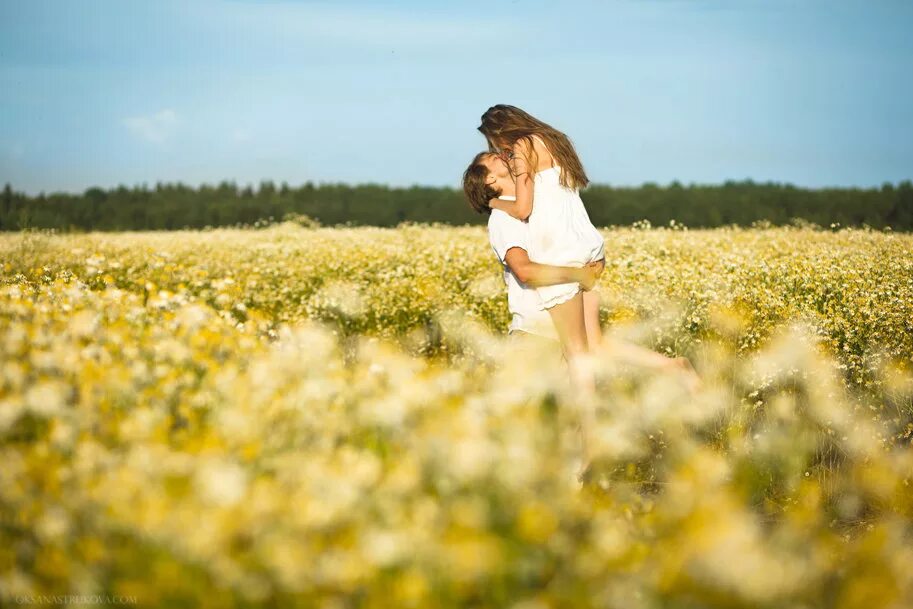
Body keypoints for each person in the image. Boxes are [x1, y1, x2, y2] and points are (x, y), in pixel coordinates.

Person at [463, 151, 702, 484]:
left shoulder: (534, 210)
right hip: (536, 332)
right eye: (494, 157)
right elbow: (525, 270)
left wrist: (590, 267)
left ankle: (573, 481)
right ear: (489, 179)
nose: (505, 154)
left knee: (554, 415)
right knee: (522, 422)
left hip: (554, 324)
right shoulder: (505, 220)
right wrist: (580, 273)